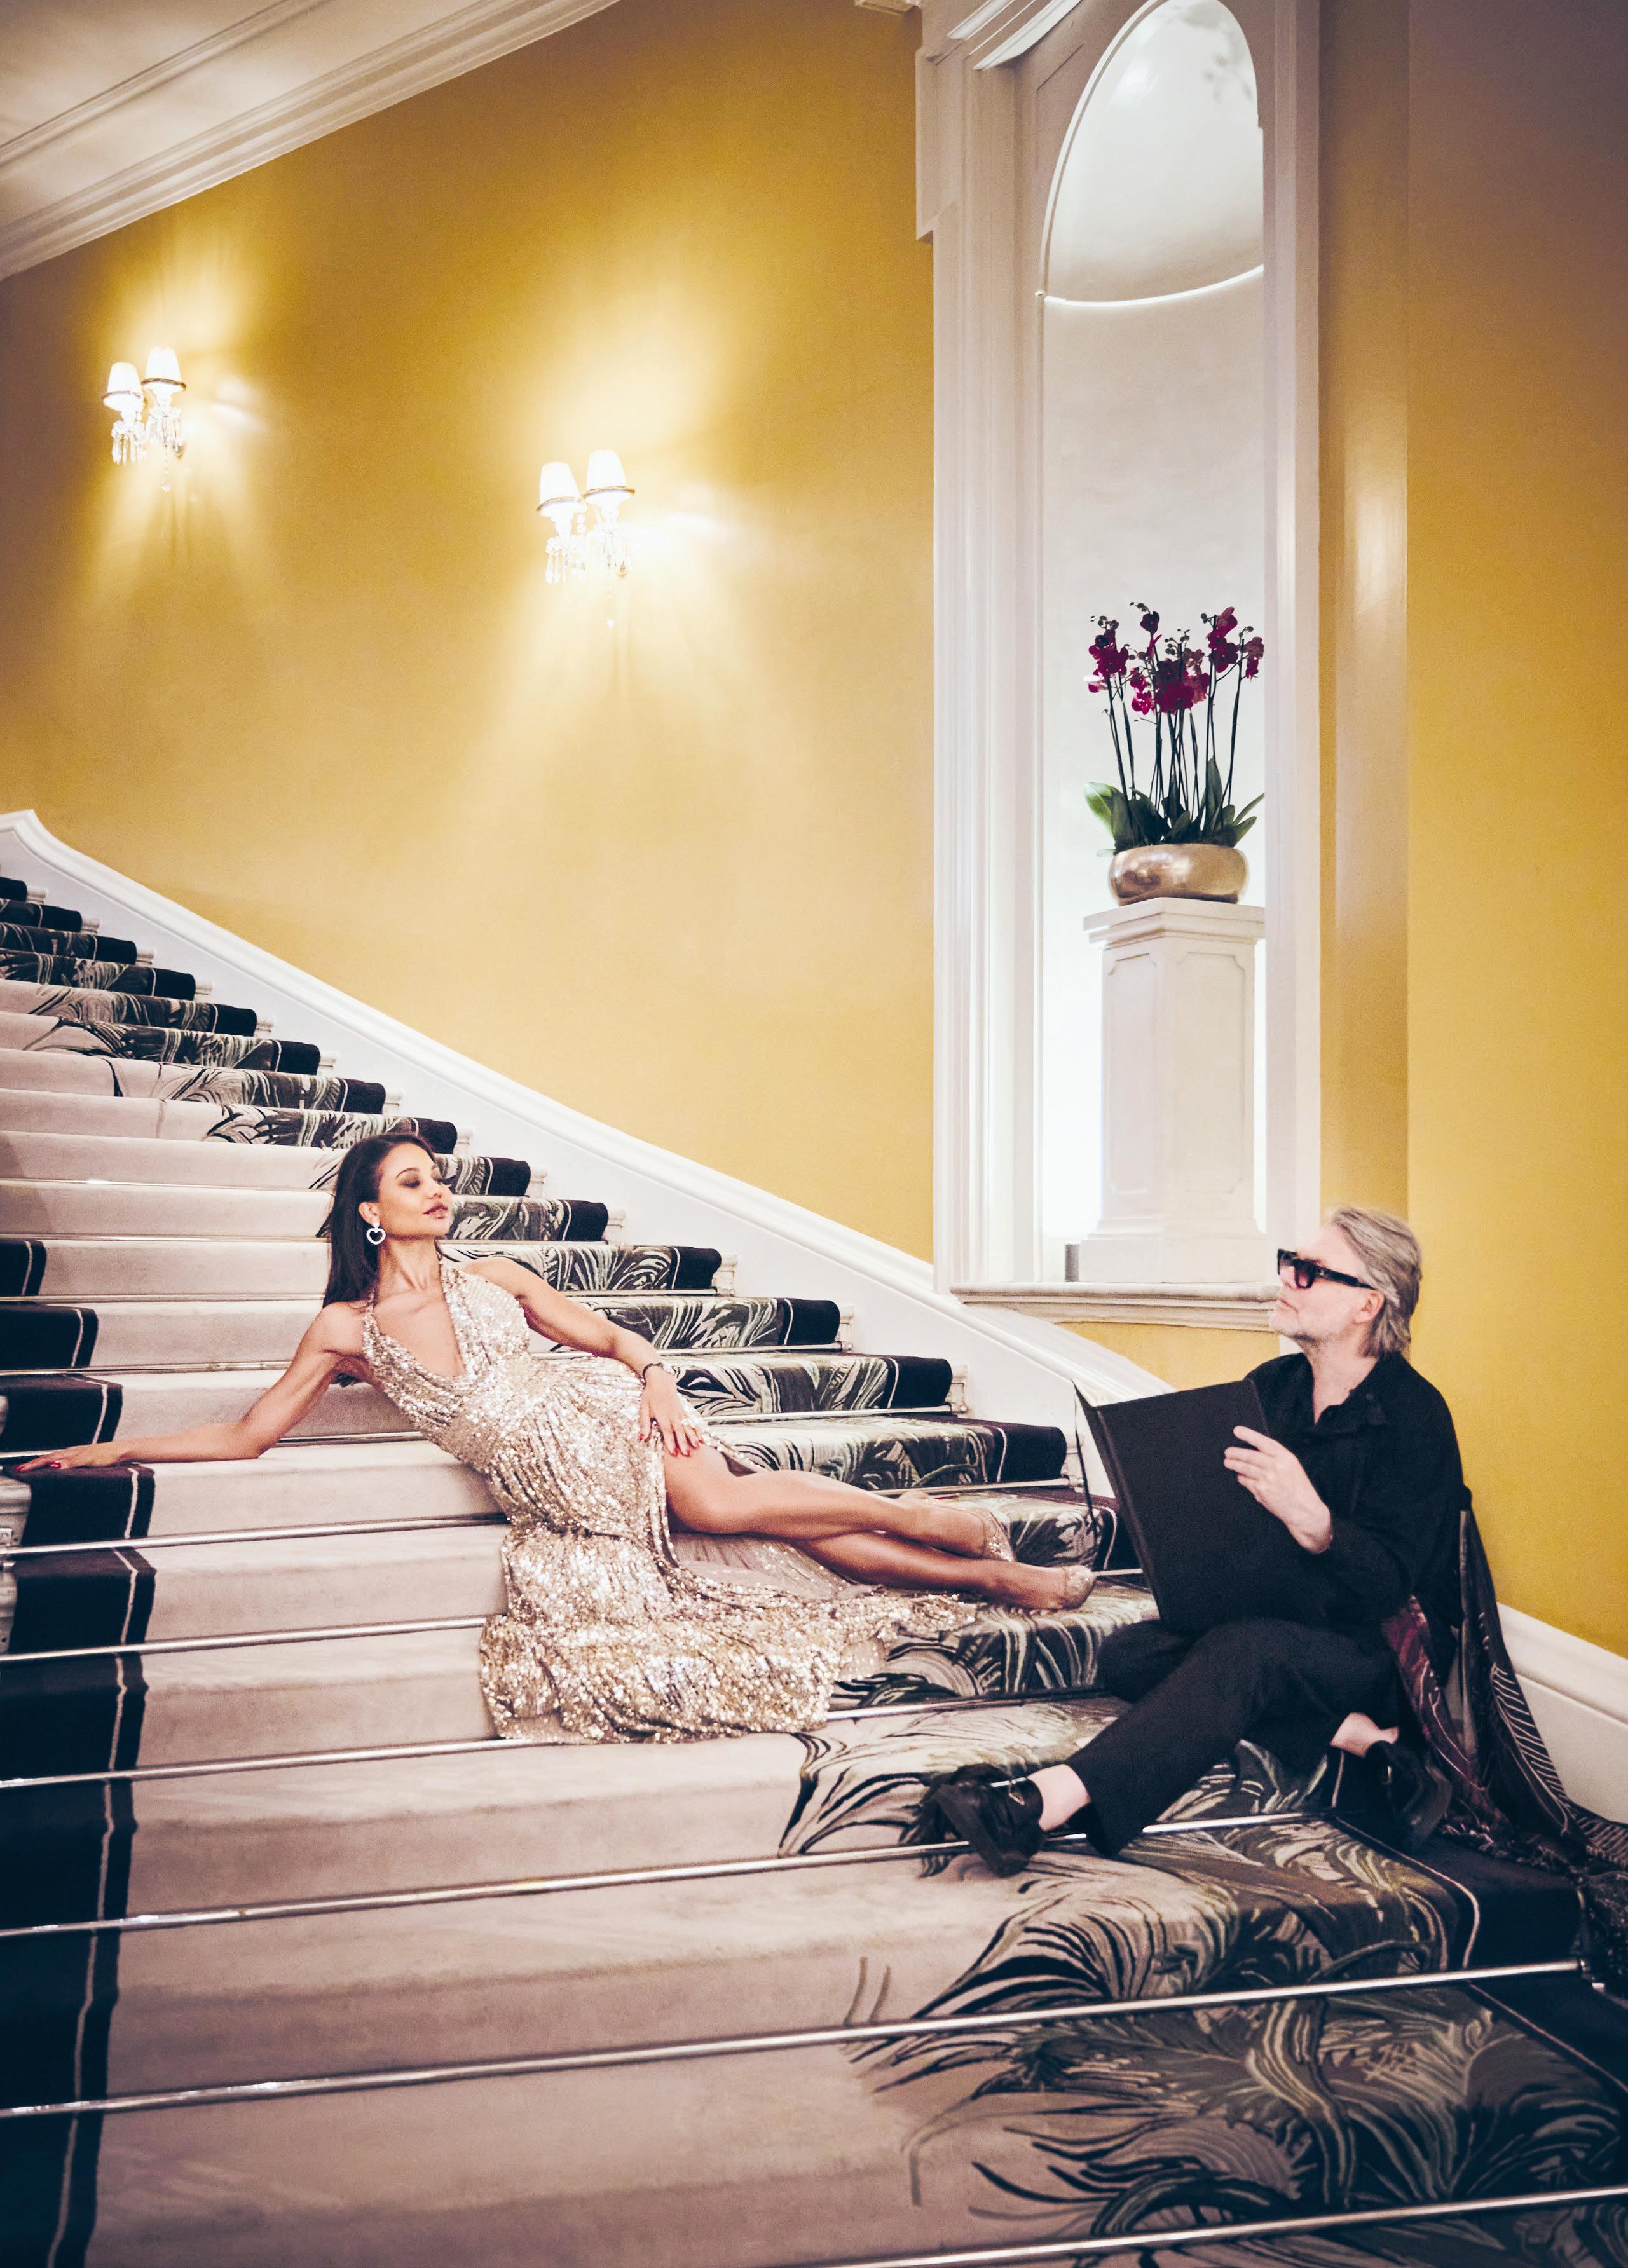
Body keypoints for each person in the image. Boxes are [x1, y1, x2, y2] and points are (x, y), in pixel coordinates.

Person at [23, 1132, 1090, 1743]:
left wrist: (659, 1384)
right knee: (775, 1540)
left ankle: (938, 1526)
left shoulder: (498, 1275)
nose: (438, 1190)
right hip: (549, 1488)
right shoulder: (346, 1331)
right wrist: (117, 1450)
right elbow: (249, 1434)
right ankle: (990, 1573)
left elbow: (620, 1340)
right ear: (368, 1213)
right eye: (411, 1181)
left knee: (722, 1504)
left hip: (604, 1417)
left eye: (439, 1176)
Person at [922, 1206, 1462, 1873]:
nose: (1286, 1279)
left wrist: (1316, 1523)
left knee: (1245, 1652)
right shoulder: (1273, 1388)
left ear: (1367, 1304)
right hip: (1283, 1617)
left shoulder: (1414, 1416)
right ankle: (1355, 1737)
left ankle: (1036, 1806)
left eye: (1309, 1271)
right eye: (1289, 1263)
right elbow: (1234, 1528)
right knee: (1128, 1654)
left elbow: (1391, 1587)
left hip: (1373, 1651)